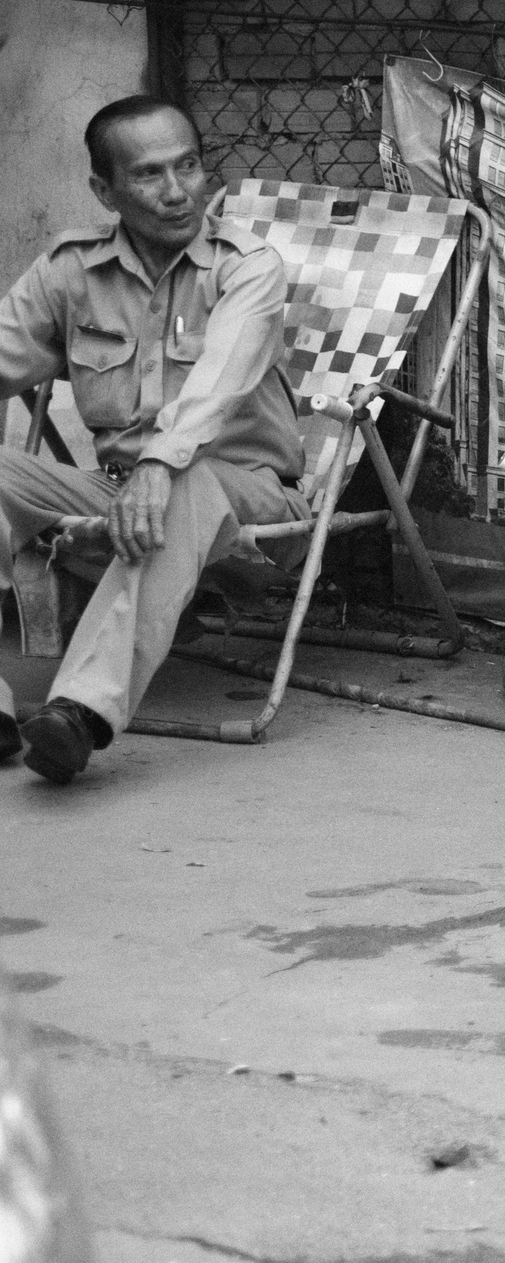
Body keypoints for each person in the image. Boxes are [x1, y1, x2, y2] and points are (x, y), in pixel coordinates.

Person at [0, 97, 305, 784]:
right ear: (104, 191)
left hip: (248, 502)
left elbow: (218, 385)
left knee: (183, 477)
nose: (177, 192)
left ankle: (80, 712)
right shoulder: (70, 272)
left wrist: (160, 464)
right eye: (149, 176)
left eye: (189, 166)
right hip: (119, 497)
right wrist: (143, 477)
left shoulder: (247, 267)